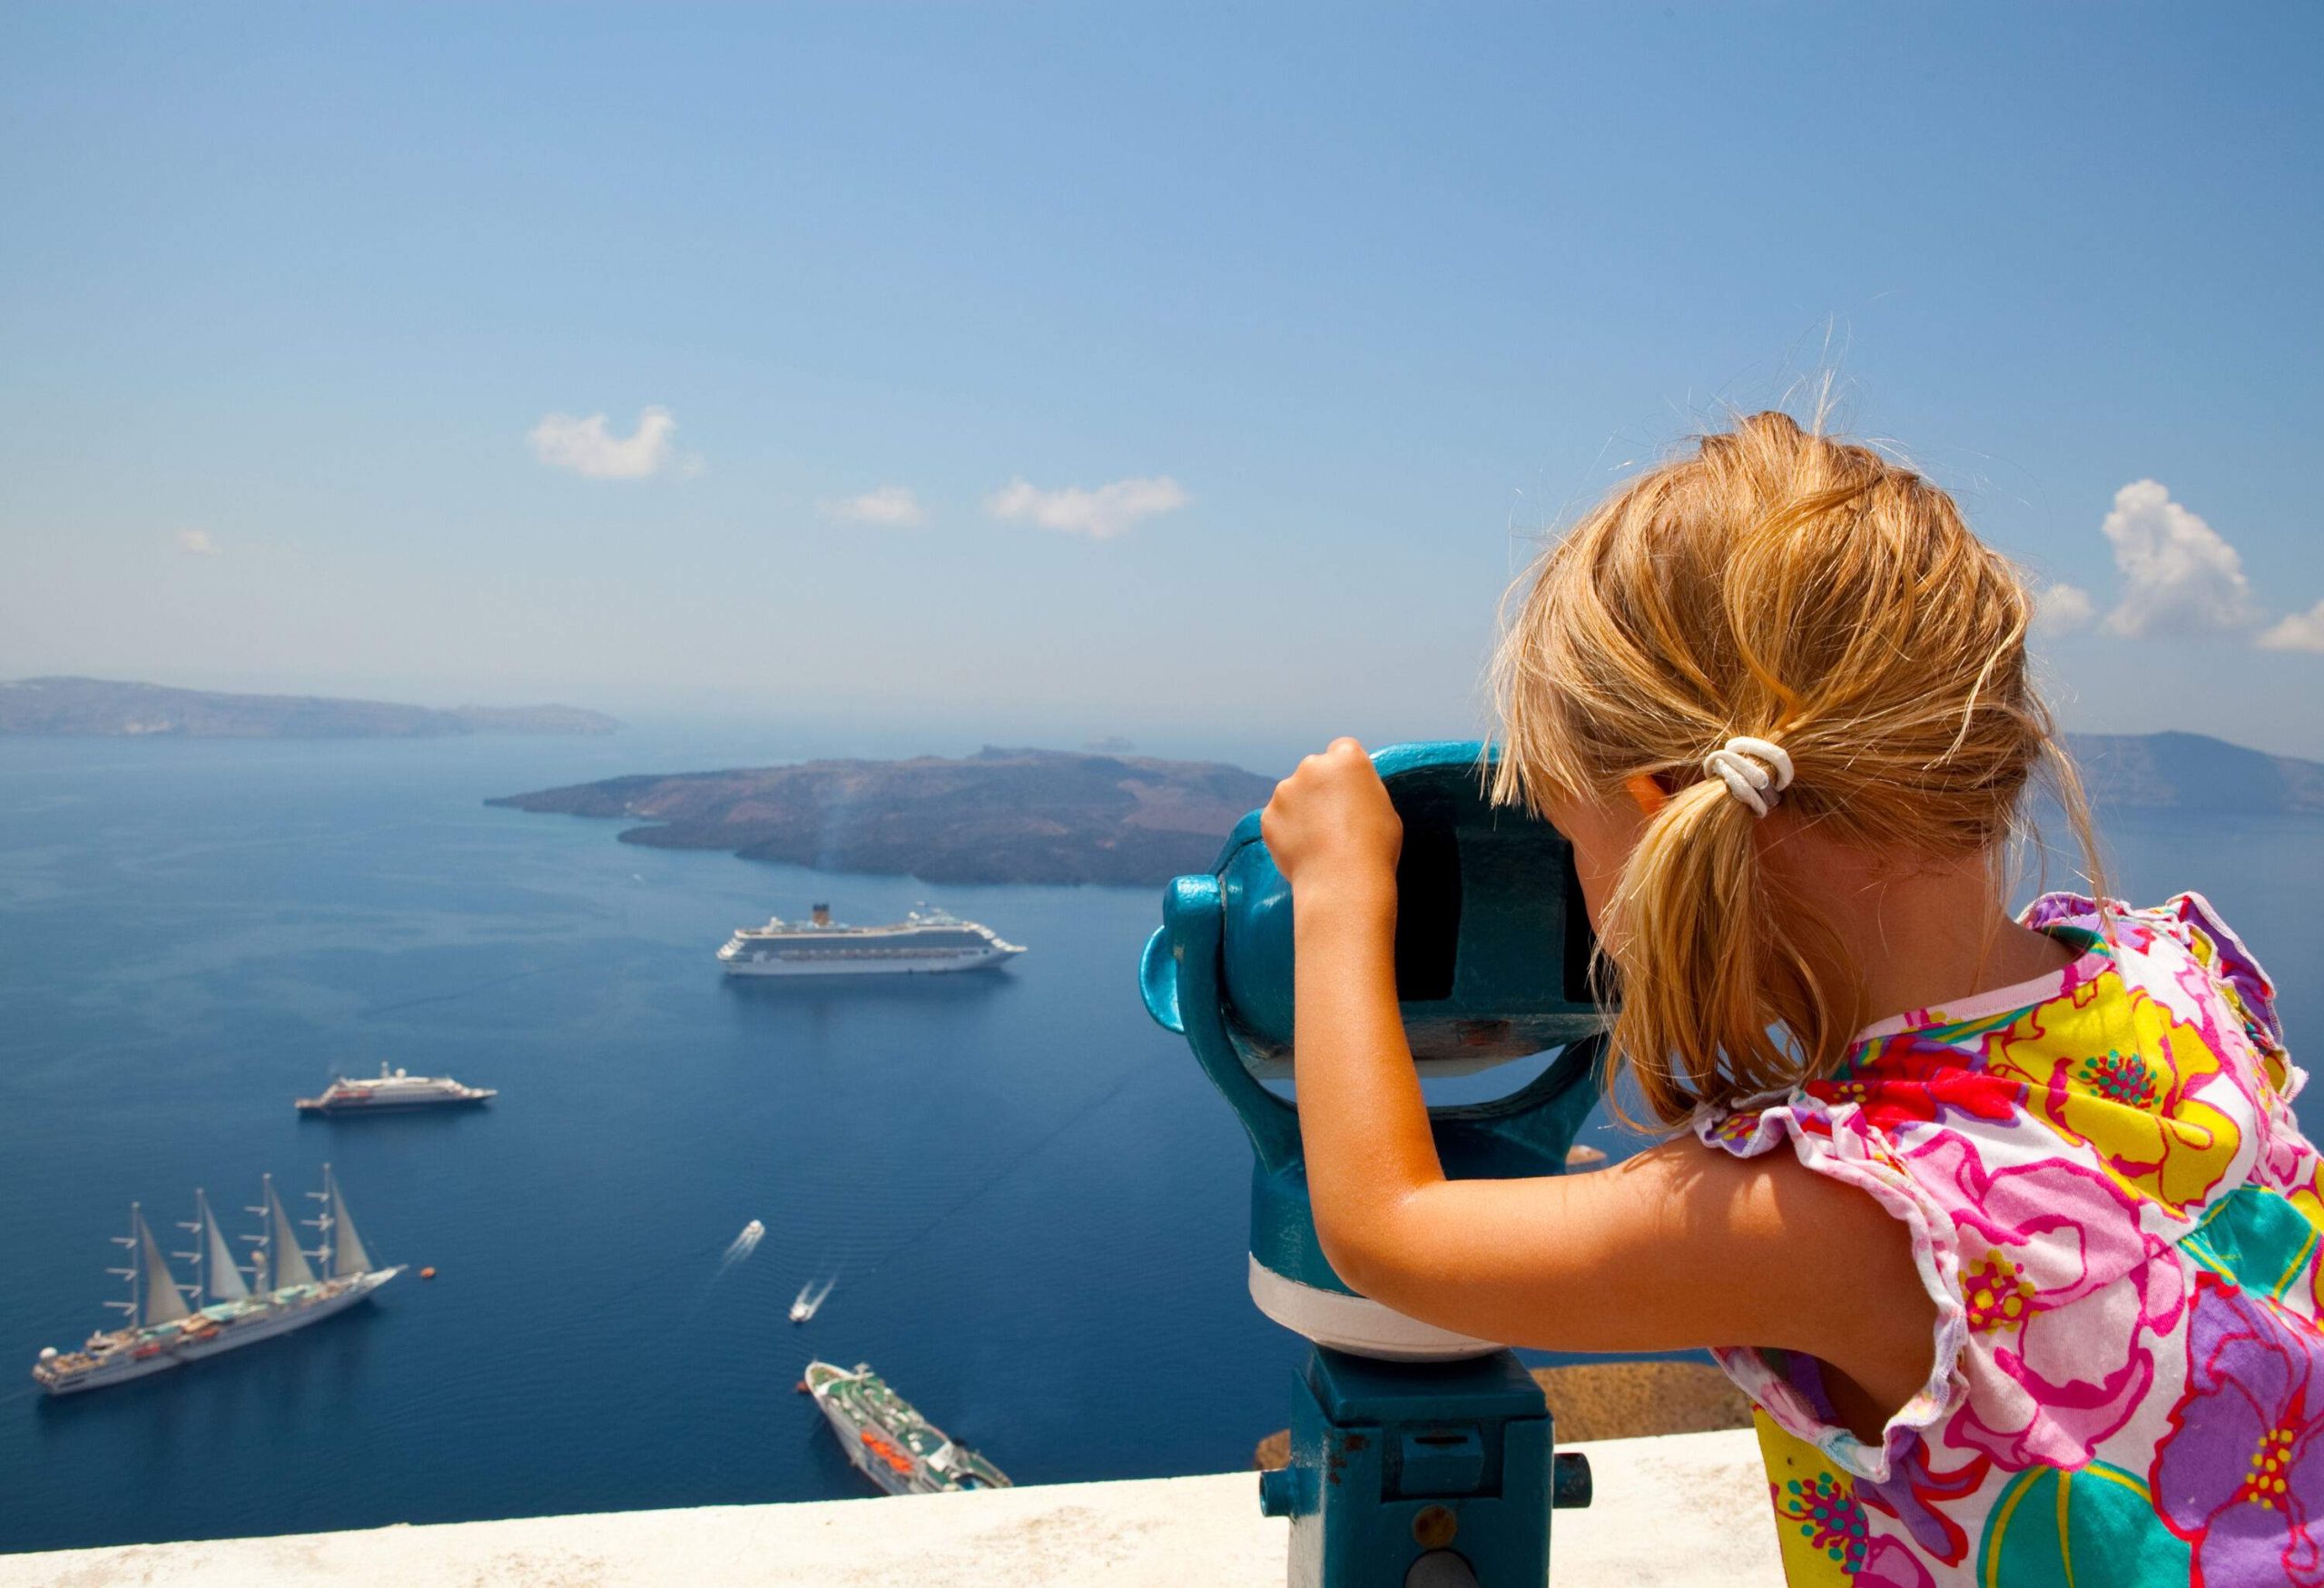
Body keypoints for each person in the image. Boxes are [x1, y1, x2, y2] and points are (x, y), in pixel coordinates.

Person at [1260, 411, 2308, 1587]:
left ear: (1666, 812)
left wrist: (1338, 891)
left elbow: (1389, 1233)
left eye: (1569, 840)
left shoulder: (1843, 1210)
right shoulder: (2179, 978)